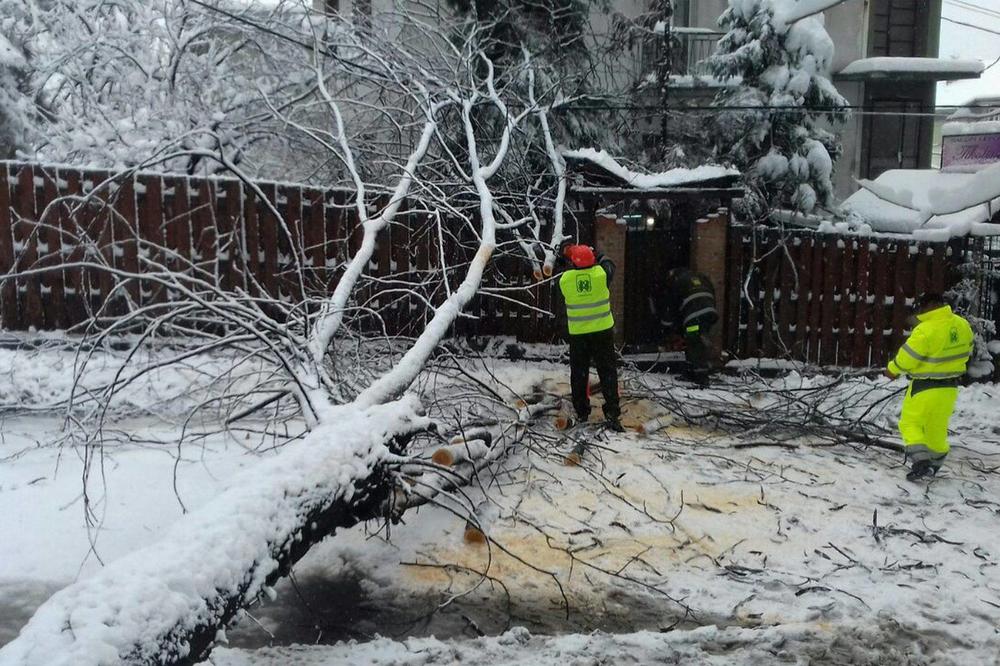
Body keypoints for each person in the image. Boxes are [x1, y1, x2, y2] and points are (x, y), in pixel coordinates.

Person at [884, 292, 974, 481]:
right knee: (936, 427)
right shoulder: (961, 324)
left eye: (920, 307)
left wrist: (893, 369)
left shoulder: (926, 329)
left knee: (910, 423)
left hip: (924, 387)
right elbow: (968, 349)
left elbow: (908, 357)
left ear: (928, 306)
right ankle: (935, 463)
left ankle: (921, 461)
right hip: (949, 389)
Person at [558, 243, 623, 432]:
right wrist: (596, 252)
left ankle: (582, 411)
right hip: (602, 332)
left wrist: (566, 257)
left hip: (579, 335)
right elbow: (609, 263)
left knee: (579, 374)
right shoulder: (602, 275)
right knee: (607, 372)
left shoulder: (566, 280)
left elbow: (566, 269)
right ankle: (612, 412)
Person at [658, 267, 719, 386]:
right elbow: (712, 292)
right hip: (709, 313)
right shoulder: (700, 277)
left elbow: (670, 308)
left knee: (693, 341)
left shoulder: (676, 283)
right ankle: (694, 370)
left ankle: (700, 375)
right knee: (699, 338)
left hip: (693, 315)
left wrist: (666, 327)